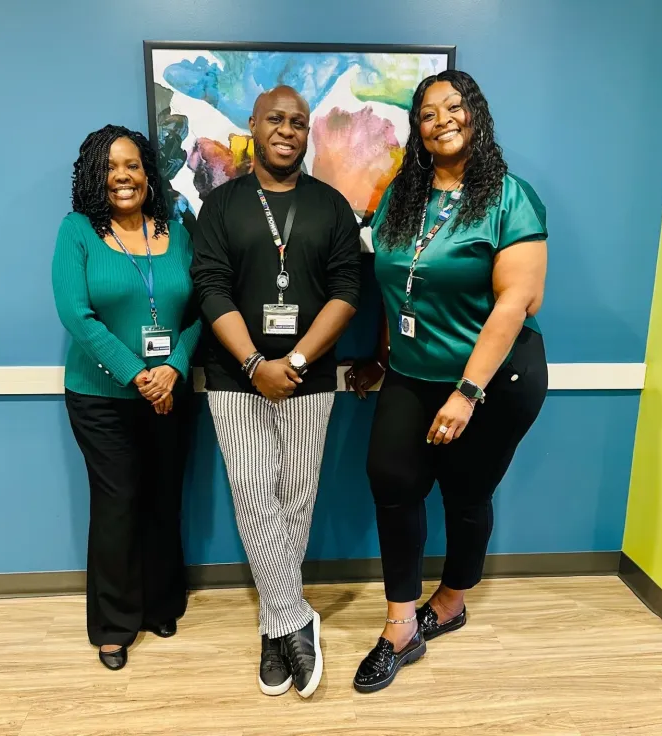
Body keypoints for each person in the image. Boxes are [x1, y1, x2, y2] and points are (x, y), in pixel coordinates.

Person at [346, 70, 549, 693]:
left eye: (453, 108)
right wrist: (381, 356)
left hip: (494, 379)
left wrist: (467, 392)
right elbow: (393, 290)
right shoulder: (400, 198)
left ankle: (453, 599)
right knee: (391, 480)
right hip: (411, 373)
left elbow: (518, 301)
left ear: (476, 115)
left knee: (465, 495)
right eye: (428, 113)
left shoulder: (512, 198)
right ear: (418, 128)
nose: (442, 120)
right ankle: (401, 623)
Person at [191, 86, 361, 698]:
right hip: (235, 378)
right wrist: (255, 362)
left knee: (297, 499)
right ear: (254, 127)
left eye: (298, 121)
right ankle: (294, 619)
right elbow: (210, 287)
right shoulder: (223, 205)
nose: (287, 130)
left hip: (309, 377)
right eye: (275, 120)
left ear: (307, 131)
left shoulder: (332, 207)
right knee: (255, 495)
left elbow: (347, 293)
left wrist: (291, 359)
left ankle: (273, 626)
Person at [52, 124, 201, 671]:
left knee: (164, 498)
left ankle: (161, 604)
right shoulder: (78, 232)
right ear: (95, 176)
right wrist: (139, 374)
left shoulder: (176, 231)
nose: (122, 175)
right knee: (117, 506)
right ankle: (113, 627)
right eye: (110, 167)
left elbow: (198, 310)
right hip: (101, 397)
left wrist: (175, 369)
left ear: (147, 173)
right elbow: (76, 314)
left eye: (133, 165)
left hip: (171, 392)